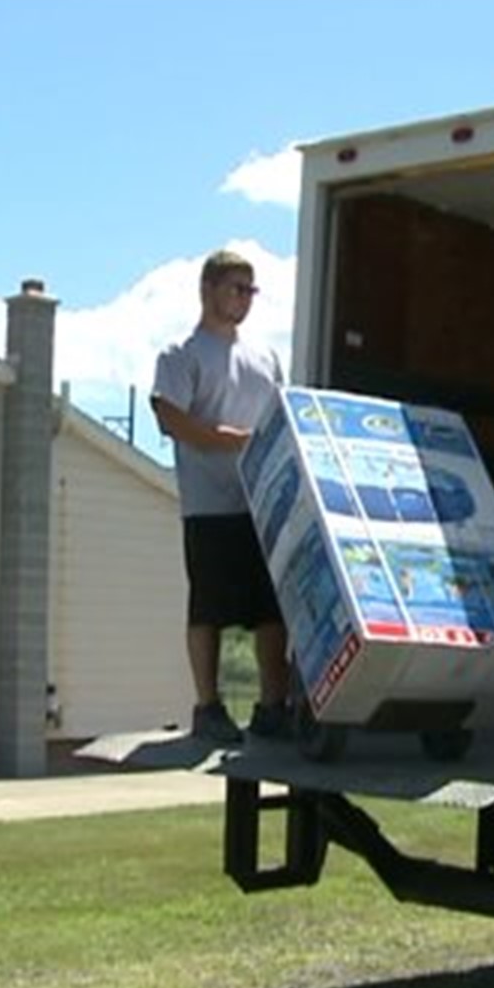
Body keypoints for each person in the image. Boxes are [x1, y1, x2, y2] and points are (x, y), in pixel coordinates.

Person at [151, 248, 293, 744]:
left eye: (251, 290)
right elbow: (169, 418)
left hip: (261, 504)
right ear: (207, 289)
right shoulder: (180, 354)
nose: (245, 299)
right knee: (208, 606)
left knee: (271, 608)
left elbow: (281, 419)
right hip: (209, 505)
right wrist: (231, 440)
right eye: (236, 288)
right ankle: (208, 708)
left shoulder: (266, 356)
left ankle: (273, 706)